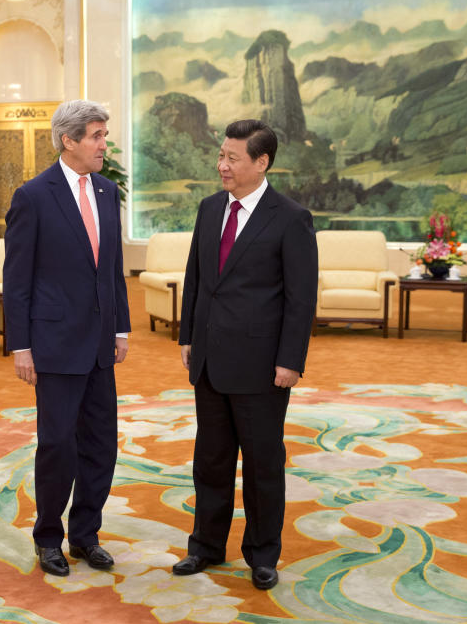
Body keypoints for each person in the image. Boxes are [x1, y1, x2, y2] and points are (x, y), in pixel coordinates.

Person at [172, 119, 317, 590]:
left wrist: (290, 360)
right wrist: (188, 337)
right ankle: (206, 547)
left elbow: (300, 298)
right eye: (221, 156)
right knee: (210, 460)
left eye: (233, 158)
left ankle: (261, 554)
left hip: (261, 367)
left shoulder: (291, 217)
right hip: (210, 360)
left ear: (262, 162)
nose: (222, 166)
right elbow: (197, 277)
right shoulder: (210, 208)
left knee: (261, 465)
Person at [3, 99, 131, 577]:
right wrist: (22, 346)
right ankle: (48, 538)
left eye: (103, 134)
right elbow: (17, 280)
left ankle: (85, 536)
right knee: (57, 446)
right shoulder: (33, 196)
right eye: (96, 136)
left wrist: (120, 328)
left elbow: (112, 269)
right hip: (54, 347)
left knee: (101, 445)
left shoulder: (105, 191)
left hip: (100, 345)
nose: (104, 144)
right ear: (68, 141)